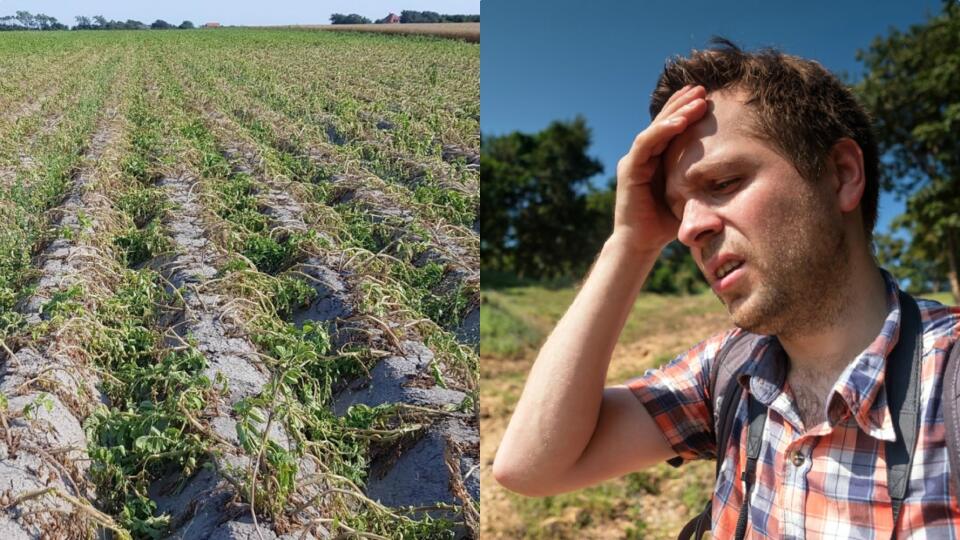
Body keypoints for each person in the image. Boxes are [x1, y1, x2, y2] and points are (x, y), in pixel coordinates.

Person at [492, 39, 960, 537]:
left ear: (842, 174)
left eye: (723, 183)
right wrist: (629, 243)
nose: (689, 229)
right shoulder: (731, 370)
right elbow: (530, 465)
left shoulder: (948, 381)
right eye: (677, 209)